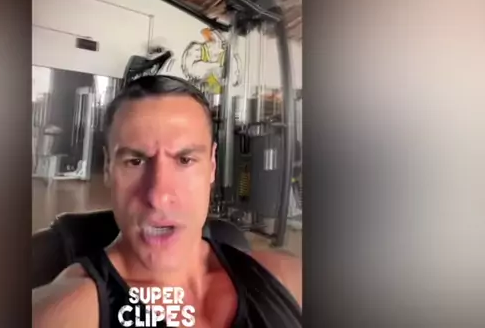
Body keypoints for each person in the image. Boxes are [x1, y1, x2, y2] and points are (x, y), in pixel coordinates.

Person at [33, 75, 302, 328]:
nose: (158, 197)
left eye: (185, 160)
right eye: (135, 161)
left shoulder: (287, 279)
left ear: (212, 165)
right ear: (107, 168)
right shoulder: (68, 311)